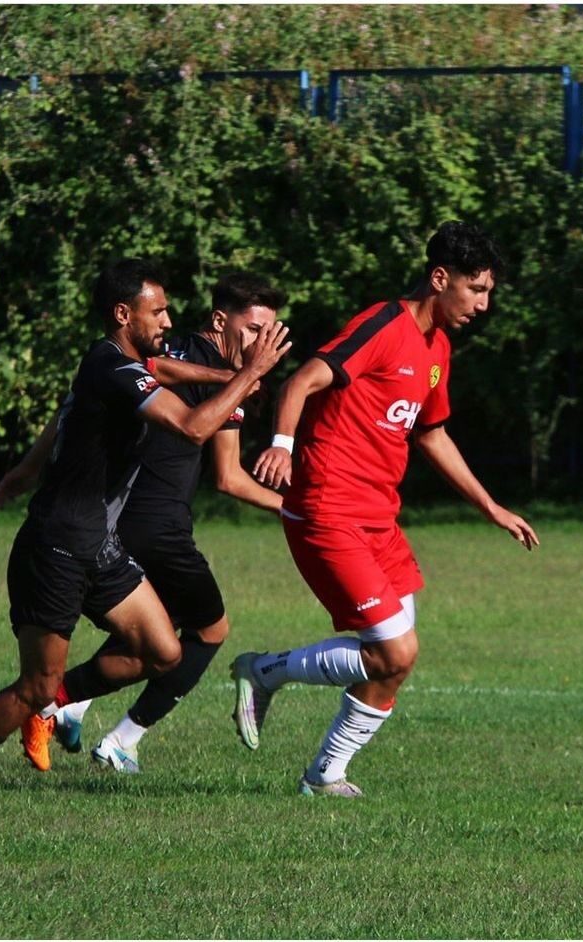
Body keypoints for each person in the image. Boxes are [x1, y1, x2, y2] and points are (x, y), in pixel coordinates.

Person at [0, 258, 290, 806]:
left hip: (101, 546)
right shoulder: (108, 364)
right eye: (156, 311)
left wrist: (232, 376)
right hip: (59, 545)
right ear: (123, 313)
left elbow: (165, 374)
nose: (167, 321)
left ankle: (55, 708)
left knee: (164, 652)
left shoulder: (133, 363)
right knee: (36, 685)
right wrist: (250, 374)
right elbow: (191, 427)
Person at [230, 221, 539, 798]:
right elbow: (301, 381)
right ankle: (264, 671)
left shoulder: (438, 349)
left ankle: (325, 775)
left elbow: (432, 436)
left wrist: (490, 507)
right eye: (475, 289)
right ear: (440, 278)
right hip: (327, 507)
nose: (483, 303)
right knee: (395, 648)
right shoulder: (384, 324)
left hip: (379, 516)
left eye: (489, 291)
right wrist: (281, 445)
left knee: (394, 662)